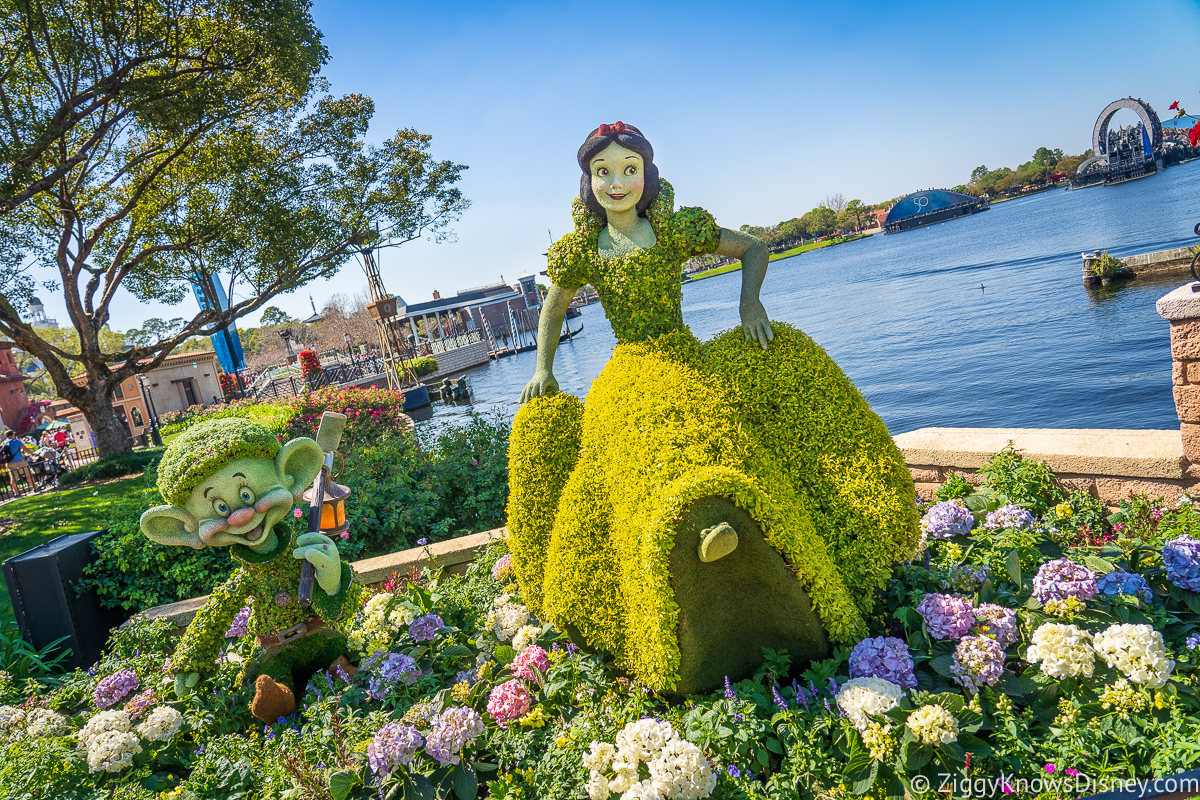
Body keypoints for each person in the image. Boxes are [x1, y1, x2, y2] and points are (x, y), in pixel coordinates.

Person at [506, 123, 918, 694]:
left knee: (733, 404)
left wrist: (751, 305)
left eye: (629, 168)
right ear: (589, 181)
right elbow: (553, 307)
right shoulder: (585, 250)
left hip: (684, 354)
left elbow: (752, 247)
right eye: (604, 171)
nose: (617, 180)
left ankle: (762, 547)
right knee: (643, 431)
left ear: (646, 174)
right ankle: (679, 566)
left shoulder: (673, 230)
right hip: (630, 366)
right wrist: (542, 369)